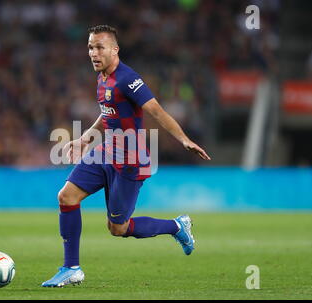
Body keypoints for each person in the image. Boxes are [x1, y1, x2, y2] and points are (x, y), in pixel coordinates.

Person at [42, 25, 210, 287]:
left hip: (130, 161)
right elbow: (108, 111)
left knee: (117, 228)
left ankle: (176, 226)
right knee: (66, 196)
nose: (93, 53)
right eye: (90, 47)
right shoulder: (102, 77)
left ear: (114, 50)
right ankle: (71, 268)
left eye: (99, 47)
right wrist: (86, 136)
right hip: (106, 151)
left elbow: (156, 110)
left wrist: (183, 139)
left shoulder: (127, 79)